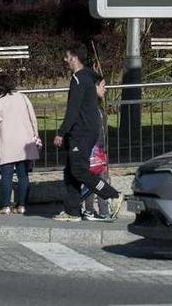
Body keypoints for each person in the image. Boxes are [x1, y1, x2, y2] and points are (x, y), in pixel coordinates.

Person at [53, 45, 120, 222]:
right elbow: (99, 80)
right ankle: (72, 211)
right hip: (87, 129)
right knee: (70, 171)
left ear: (74, 57)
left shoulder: (78, 79)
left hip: (81, 131)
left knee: (78, 170)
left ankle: (112, 195)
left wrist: (61, 132)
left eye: (67, 57)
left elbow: (73, 110)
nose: (65, 60)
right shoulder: (89, 75)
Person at [0, 74, 42, 215]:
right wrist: (35, 134)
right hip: (25, 142)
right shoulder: (23, 98)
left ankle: (5, 206)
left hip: (7, 142)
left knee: (6, 176)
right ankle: (22, 205)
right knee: (23, 176)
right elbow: (33, 118)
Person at [82, 77, 117, 222]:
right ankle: (97, 210)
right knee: (97, 181)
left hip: (100, 148)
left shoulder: (98, 106)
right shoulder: (89, 107)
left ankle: (97, 210)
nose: (105, 89)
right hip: (93, 149)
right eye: (103, 86)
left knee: (98, 180)